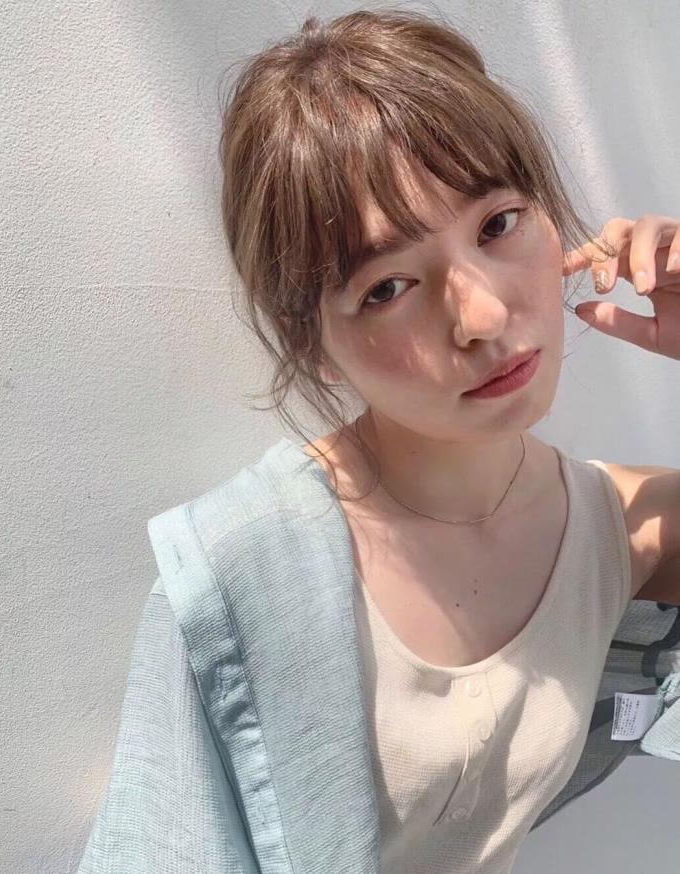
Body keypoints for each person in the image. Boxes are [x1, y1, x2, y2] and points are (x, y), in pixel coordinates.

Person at [77, 8, 680, 874]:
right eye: (389, 286)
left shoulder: (626, 527)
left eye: (499, 224)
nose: (481, 316)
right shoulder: (242, 574)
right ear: (312, 341)